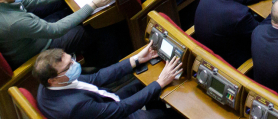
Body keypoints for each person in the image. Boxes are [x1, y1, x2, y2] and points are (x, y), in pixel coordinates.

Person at [34, 43, 182, 119]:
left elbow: (96, 78)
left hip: (105, 102)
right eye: (68, 66)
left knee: (141, 83)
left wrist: (136, 59)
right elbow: (122, 109)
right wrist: (160, 82)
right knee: (171, 115)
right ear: (52, 80)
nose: (75, 64)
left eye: (71, 59)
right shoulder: (75, 106)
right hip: (116, 113)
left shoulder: (48, 83)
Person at [192, 0, 278, 68]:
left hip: (211, 45)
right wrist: (275, 12)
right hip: (231, 60)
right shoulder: (240, 15)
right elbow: (260, 33)